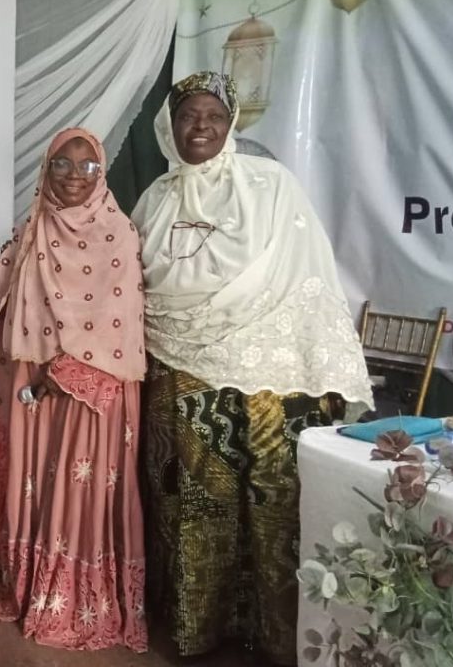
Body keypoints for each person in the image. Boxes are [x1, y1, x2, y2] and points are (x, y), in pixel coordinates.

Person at [131, 71, 373, 664]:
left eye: (214, 116)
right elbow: (135, 283)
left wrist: (317, 358)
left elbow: (307, 274)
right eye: (188, 116)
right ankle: (198, 626)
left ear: (232, 123)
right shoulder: (155, 198)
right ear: (169, 125)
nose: (201, 127)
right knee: (192, 500)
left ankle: (278, 635)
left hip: (271, 377)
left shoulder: (271, 185)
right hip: (180, 369)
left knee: (274, 503)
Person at [0, 128, 148, 652]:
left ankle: (82, 602)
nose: (74, 177)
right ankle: (38, 590)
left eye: (87, 167)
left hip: (93, 392)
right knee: (37, 490)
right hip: (33, 388)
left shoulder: (119, 232)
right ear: (46, 170)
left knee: (81, 498)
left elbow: (119, 316)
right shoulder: (33, 227)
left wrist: (63, 374)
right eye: (62, 164)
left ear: (101, 173)